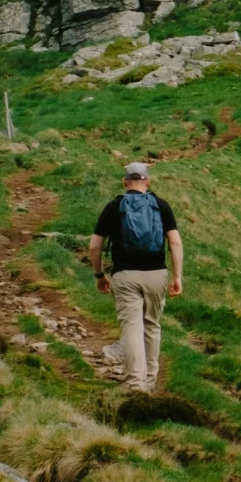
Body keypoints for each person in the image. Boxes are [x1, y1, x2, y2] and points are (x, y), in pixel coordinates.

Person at [89, 161, 182, 391]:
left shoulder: (114, 206)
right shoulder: (160, 205)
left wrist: (100, 275)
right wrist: (177, 276)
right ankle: (149, 383)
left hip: (125, 275)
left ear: (125, 182)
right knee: (152, 326)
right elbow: (175, 242)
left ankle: (134, 386)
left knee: (131, 328)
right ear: (147, 181)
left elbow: (94, 247)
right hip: (156, 274)